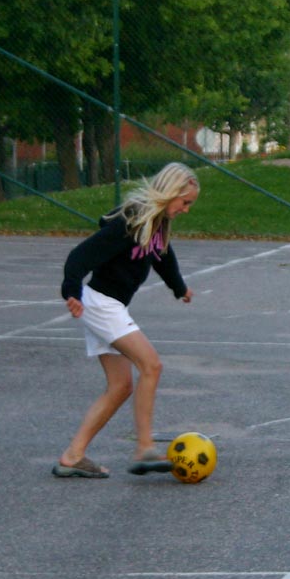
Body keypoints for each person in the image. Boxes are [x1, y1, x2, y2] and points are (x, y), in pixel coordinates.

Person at [53, 162, 198, 478]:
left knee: (120, 386)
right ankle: (144, 447)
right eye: (184, 202)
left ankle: (73, 456)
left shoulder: (154, 224)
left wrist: (179, 287)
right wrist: (71, 290)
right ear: (170, 192)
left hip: (108, 305)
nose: (186, 210)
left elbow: (163, 258)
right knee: (151, 365)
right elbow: (81, 255)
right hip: (101, 304)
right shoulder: (132, 220)